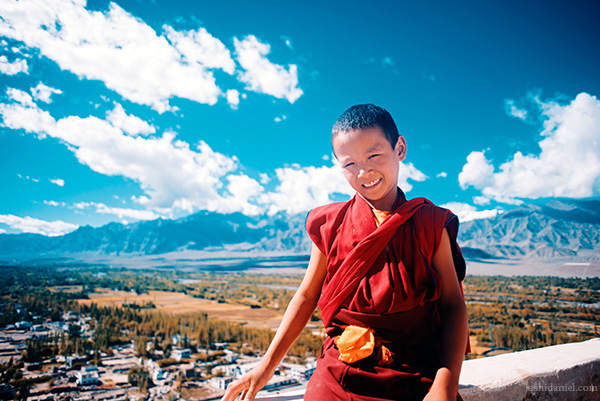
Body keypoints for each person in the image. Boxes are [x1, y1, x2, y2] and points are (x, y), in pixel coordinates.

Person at [221, 104, 469, 401]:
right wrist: (265, 367)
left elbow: (453, 305)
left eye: (374, 155)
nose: (364, 172)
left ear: (400, 148)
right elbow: (306, 295)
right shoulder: (329, 224)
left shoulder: (429, 223)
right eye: (349, 164)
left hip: (415, 369)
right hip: (343, 368)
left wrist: (445, 384)